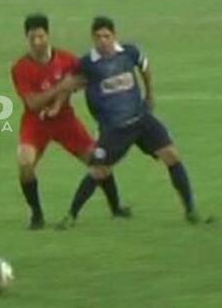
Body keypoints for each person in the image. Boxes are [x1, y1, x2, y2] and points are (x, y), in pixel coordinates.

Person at [56, 17, 210, 227]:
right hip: (114, 129)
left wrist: (150, 95)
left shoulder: (129, 52)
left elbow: (144, 66)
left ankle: (191, 210)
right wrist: (57, 106)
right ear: (93, 38)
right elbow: (68, 85)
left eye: (106, 36)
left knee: (172, 155)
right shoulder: (86, 64)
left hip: (141, 120)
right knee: (98, 170)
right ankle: (71, 216)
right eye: (98, 37)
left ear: (114, 36)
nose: (103, 41)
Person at [11, 14, 130, 229]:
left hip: (65, 120)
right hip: (36, 122)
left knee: (98, 159)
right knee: (25, 162)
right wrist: (61, 87)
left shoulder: (67, 59)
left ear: (48, 35)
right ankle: (37, 214)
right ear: (26, 39)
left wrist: (60, 99)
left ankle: (116, 207)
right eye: (32, 38)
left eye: (40, 36)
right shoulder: (20, 68)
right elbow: (33, 104)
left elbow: (82, 80)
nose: (37, 42)